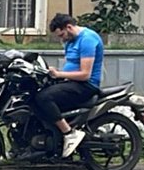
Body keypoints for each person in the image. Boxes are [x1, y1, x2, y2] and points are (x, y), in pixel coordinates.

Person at [36, 12, 104, 158]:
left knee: (44, 98)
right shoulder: (70, 41)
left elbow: (85, 74)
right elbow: (72, 65)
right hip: (72, 82)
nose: (61, 39)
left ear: (69, 27)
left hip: (86, 86)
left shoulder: (87, 40)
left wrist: (60, 75)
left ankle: (69, 133)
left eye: (61, 35)